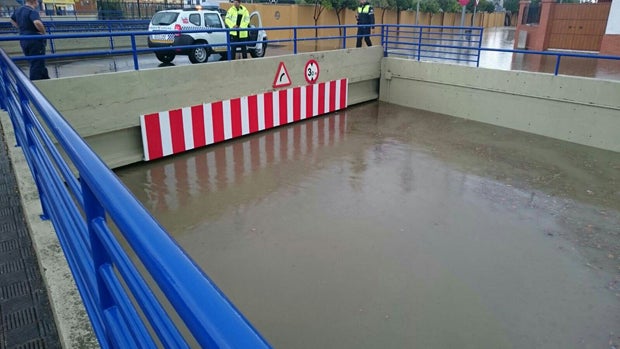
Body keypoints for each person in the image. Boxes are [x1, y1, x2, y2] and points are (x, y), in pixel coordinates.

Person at [10, 0, 49, 80]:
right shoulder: (32, 11)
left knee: (35, 62)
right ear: (34, 2)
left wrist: (21, 28)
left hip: (23, 39)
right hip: (35, 40)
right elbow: (37, 22)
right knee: (36, 63)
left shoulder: (18, 10)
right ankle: (34, 85)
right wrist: (43, 32)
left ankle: (46, 79)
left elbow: (12, 20)